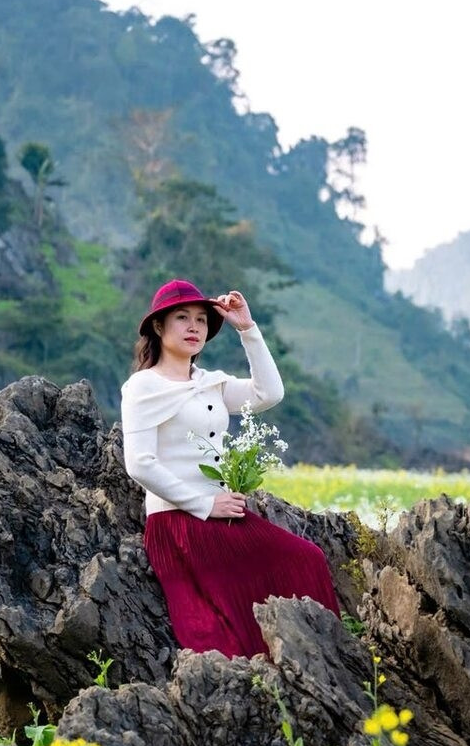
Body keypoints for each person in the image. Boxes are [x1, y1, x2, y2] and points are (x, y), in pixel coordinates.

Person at [120, 279, 340, 657]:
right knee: (221, 634)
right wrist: (205, 505)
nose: (194, 327)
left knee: (307, 559)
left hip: (223, 517)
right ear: (159, 326)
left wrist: (247, 329)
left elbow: (268, 394)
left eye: (202, 320)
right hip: (178, 524)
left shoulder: (210, 383)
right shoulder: (143, 386)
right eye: (182, 318)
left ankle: (321, 662)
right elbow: (139, 463)